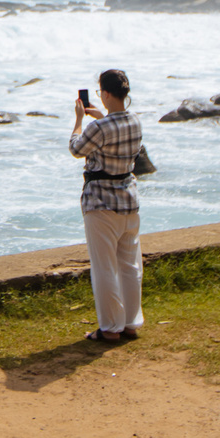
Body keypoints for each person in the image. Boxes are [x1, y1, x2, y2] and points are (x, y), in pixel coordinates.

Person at [69, 68, 143, 343]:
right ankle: (130, 324)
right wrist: (101, 117)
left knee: (104, 268)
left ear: (107, 93)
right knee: (129, 266)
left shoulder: (98, 128)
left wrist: (79, 120)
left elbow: (76, 148)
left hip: (101, 202)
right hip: (128, 199)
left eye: (100, 91)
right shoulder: (135, 121)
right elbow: (116, 130)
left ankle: (110, 327)